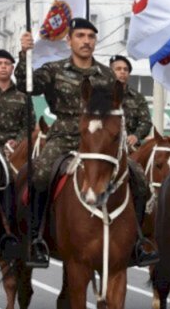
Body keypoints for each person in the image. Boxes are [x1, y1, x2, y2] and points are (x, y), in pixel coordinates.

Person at [17, 18, 156, 268]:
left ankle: (137, 240)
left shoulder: (106, 75)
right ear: (69, 40)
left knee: (138, 177)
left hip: (99, 142)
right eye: (80, 36)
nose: (86, 41)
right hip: (64, 137)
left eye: (91, 37)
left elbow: (117, 109)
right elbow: (27, 86)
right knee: (40, 174)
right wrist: (25, 55)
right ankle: (36, 238)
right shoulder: (54, 69)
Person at [107, 53, 157, 265]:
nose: (122, 72)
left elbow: (146, 121)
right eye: (118, 68)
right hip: (104, 149)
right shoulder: (101, 94)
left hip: (129, 149)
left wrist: (136, 135)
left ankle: (137, 235)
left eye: (126, 69)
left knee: (140, 181)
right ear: (110, 71)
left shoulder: (136, 97)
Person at [0, 48, 30, 258]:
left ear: (13, 68)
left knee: (31, 181)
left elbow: (28, 124)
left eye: (7, 64)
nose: (3, 67)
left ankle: (22, 229)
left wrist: (17, 142)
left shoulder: (22, 95)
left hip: (15, 151)